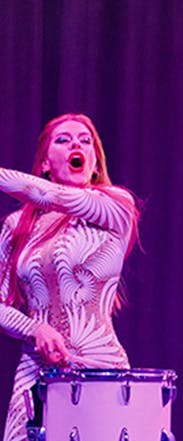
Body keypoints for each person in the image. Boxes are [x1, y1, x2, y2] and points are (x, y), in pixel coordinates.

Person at [0, 113, 139, 441]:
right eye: (63, 139)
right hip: (36, 371)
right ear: (46, 163)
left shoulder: (115, 207)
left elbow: (48, 196)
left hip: (100, 365)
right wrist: (34, 329)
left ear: (93, 163)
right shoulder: (16, 226)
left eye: (85, 140)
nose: (76, 143)